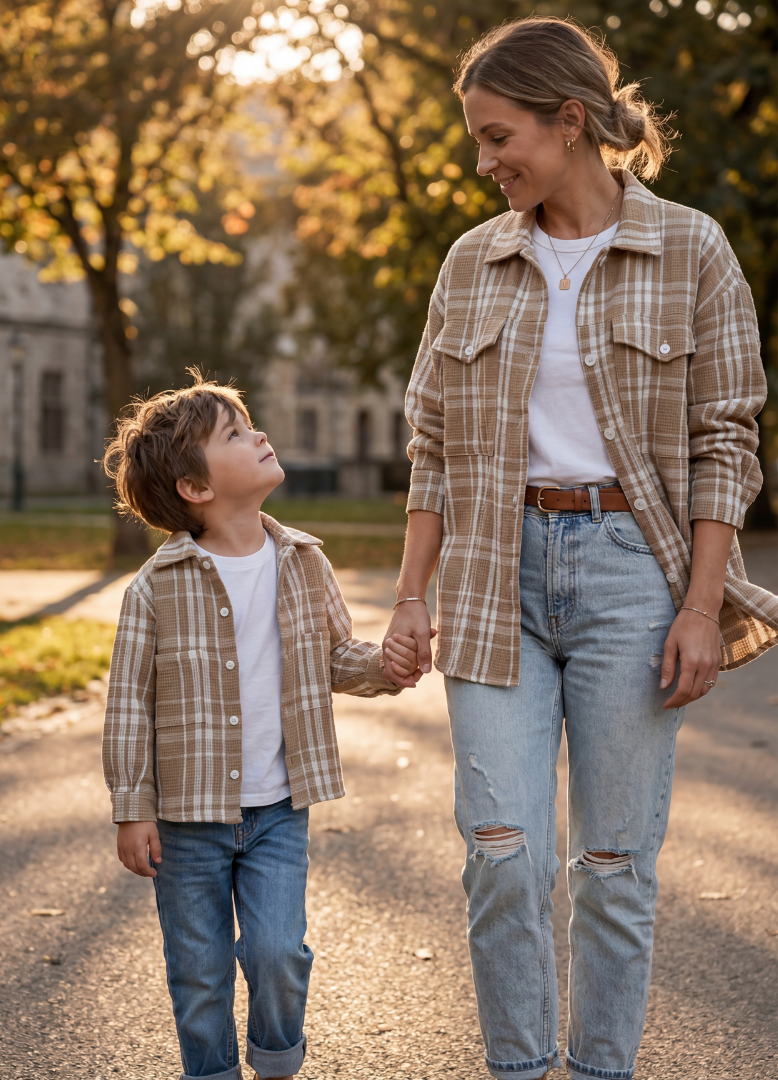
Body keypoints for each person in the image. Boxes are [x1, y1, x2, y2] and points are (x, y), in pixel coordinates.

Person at [381, 17, 777, 1080]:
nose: (484, 161)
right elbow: (431, 446)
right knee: (502, 854)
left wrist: (700, 606)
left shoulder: (690, 246)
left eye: (498, 135)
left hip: (631, 580)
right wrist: (411, 597)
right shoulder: (473, 260)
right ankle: (518, 1066)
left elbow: (724, 439)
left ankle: (602, 1068)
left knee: (612, 864)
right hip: (493, 576)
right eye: (476, 140)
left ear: (570, 122)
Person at [101, 375, 418, 1080]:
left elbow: (336, 655)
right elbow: (129, 705)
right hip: (186, 822)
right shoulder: (154, 588)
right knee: (199, 970)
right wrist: (132, 810)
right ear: (196, 488)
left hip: (278, 810)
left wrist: (387, 666)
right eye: (236, 434)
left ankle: (276, 1063)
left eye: (249, 425)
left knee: (278, 951)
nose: (261, 435)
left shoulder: (303, 561)